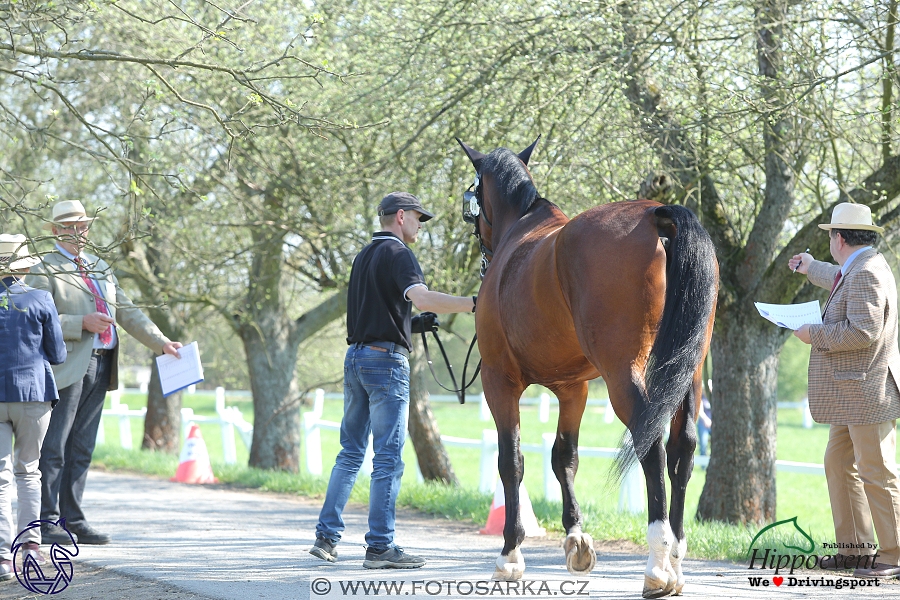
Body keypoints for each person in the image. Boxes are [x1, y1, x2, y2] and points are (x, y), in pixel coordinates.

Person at [310, 192, 476, 569]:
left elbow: (374, 314)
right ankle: (380, 546)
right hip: (385, 365)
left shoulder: (363, 255)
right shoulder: (399, 253)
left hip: (356, 359)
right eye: (419, 218)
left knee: (350, 452)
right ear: (401, 217)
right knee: (387, 457)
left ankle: (326, 537)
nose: (421, 226)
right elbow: (421, 297)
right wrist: (474, 303)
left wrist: (413, 326)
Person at [27, 200, 183, 546]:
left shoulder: (100, 267)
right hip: (65, 366)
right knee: (55, 445)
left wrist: (161, 343)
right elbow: (34, 319)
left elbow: (127, 311)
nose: (77, 232)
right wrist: (78, 323)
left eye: (82, 225)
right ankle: (47, 521)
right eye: (69, 226)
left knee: (82, 446)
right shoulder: (44, 269)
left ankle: (74, 519)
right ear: (55, 230)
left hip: (102, 363)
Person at [789, 202, 900, 580]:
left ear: (838, 238)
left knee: (877, 473)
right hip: (853, 394)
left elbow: (862, 331)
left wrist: (813, 335)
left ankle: (893, 555)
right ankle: (854, 552)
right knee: (838, 464)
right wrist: (810, 267)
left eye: (830, 237)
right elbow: (840, 278)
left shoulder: (866, 273)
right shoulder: (863, 266)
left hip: (867, 394)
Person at [0, 234, 66, 579]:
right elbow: (57, 354)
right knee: (29, 471)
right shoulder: (40, 298)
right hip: (33, 394)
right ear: (25, 266)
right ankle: (29, 549)